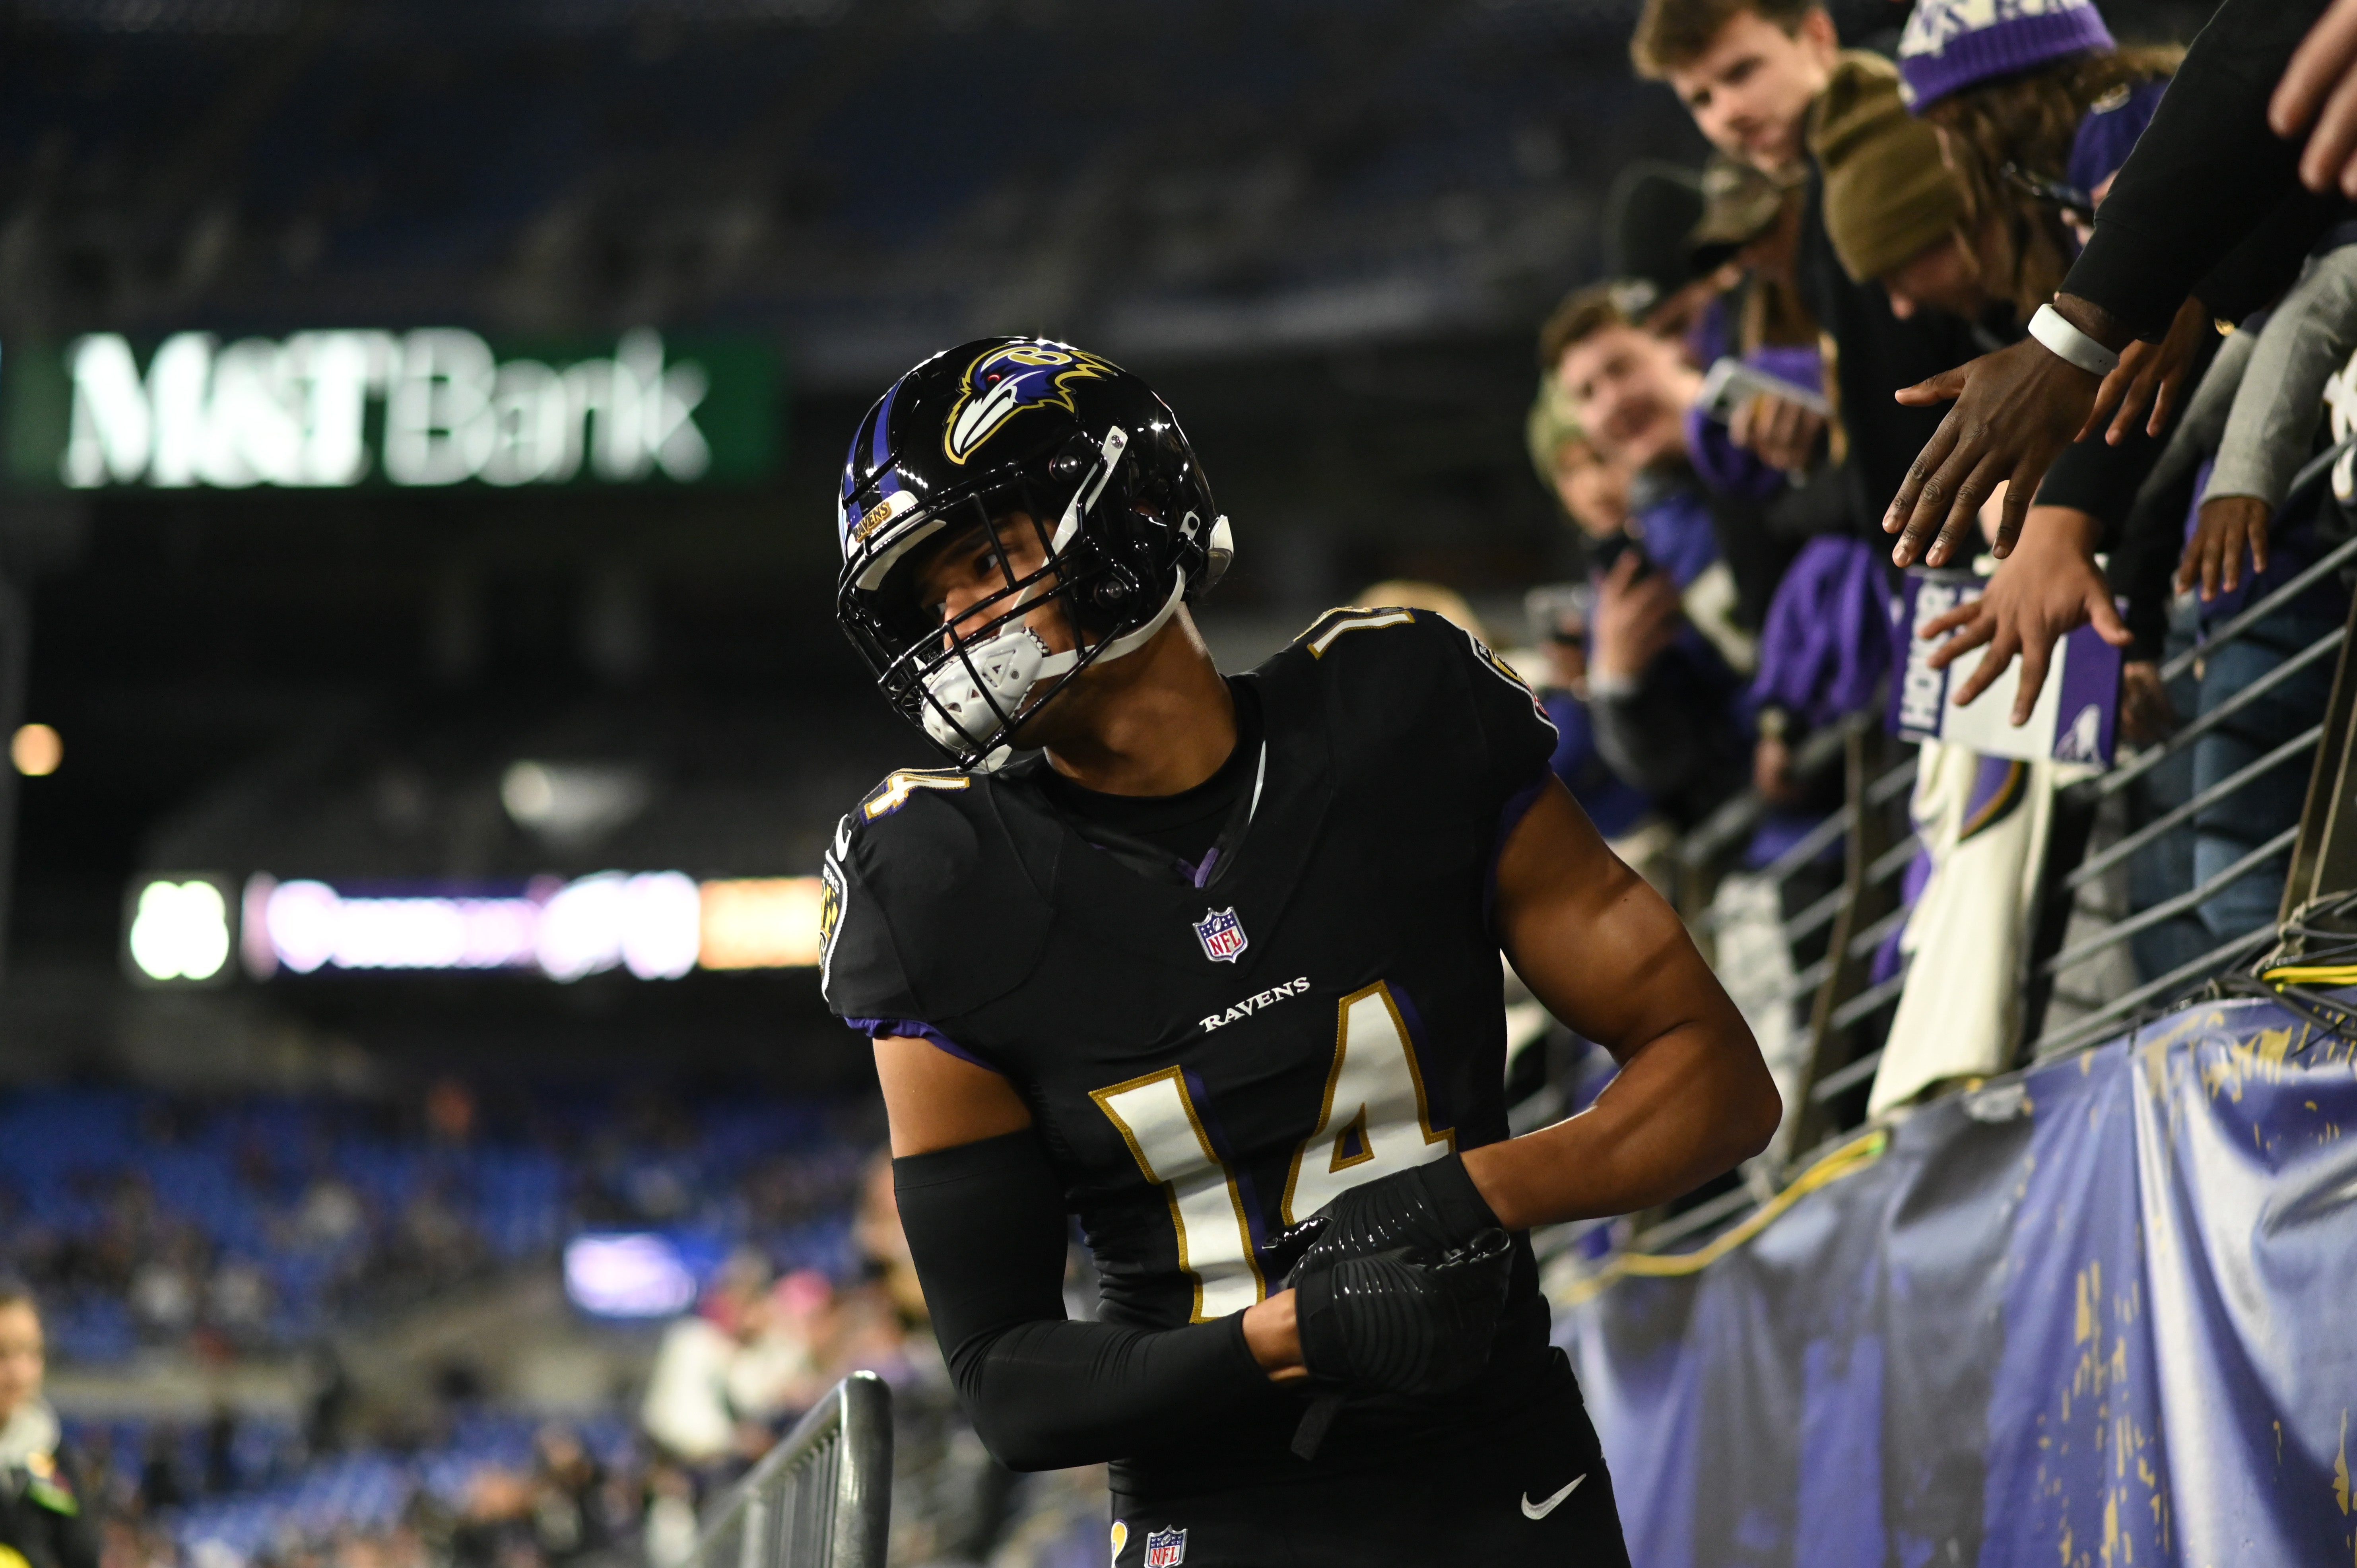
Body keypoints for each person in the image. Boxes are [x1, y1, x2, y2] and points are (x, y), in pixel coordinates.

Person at [823, 337, 1778, 1566]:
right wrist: (1288, 1336)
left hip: (1503, 1477)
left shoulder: (1394, 714)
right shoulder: (940, 884)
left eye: (985, 560)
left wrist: (1467, 1195)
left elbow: (1716, 1078)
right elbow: (1007, 1381)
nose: (958, 622)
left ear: (1120, 510)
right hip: (1218, 1520)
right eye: (928, 598)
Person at [1882, 0, 2345, 570]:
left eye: (1947, 132)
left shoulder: (2114, 133)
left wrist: (2068, 523)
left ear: (1981, 112)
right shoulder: (2112, 126)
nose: (1953, 162)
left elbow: (2145, 376)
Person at [1634, 0, 1983, 540]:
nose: (1727, 113)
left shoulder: (1895, 144)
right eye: (1701, 99)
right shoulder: (1822, 186)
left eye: (1741, 72)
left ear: (1817, 35)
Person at [0, 1285, 99, 1568]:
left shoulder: (51, 1454)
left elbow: (83, 1556)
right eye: (2, 1354)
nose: (18, 1373)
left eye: (31, 1352)